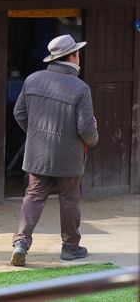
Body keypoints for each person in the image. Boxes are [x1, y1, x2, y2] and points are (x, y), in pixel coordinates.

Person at [10, 34, 99, 267]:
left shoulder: (32, 79)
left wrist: (37, 133)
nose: (80, 57)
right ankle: (70, 247)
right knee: (69, 200)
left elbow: (19, 113)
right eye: (78, 53)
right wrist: (94, 138)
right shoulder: (81, 88)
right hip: (69, 155)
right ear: (71, 57)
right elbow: (86, 129)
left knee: (33, 196)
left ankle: (20, 243)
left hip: (37, 153)